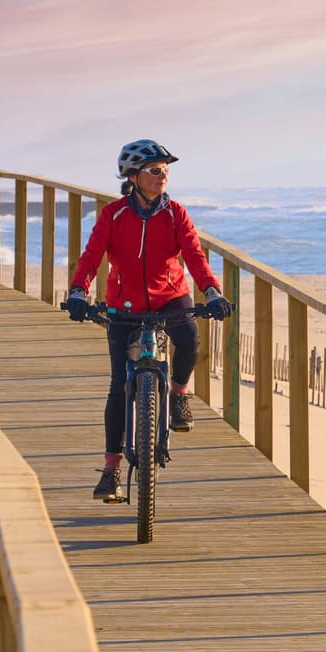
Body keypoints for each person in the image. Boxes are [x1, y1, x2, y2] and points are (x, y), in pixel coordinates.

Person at [65, 139, 232, 502]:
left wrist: (212, 291)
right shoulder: (114, 216)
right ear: (133, 177)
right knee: (116, 386)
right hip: (124, 304)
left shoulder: (176, 214)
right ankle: (111, 471)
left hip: (171, 296)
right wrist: (79, 290)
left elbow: (194, 255)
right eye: (155, 171)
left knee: (189, 338)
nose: (162, 177)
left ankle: (178, 395)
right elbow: (92, 256)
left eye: (166, 171)